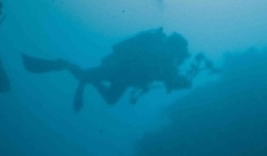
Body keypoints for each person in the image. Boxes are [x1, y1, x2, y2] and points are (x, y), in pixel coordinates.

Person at [21, 28, 213, 112]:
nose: (180, 55)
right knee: (83, 76)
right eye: (179, 50)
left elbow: (168, 78)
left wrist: (181, 80)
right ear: (174, 46)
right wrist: (182, 81)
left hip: (125, 77)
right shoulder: (160, 54)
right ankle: (63, 64)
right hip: (117, 70)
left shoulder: (164, 57)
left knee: (110, 99)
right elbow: (169, 79)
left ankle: (87, 80)